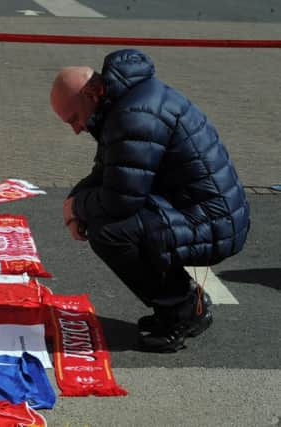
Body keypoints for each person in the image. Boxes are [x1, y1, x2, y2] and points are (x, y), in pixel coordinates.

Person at [50, 49, 250, 353]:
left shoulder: (133, 115)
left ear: (92, 93)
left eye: (74, 118)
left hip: (215, 222)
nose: (76, 129)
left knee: (110, 232)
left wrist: (77, 208)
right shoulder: (126, 102)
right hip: (202, 210)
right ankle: (182, 305)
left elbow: (120, 200)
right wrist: (74, 202)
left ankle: (181, 312)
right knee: (107, 219)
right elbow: (108, 172)